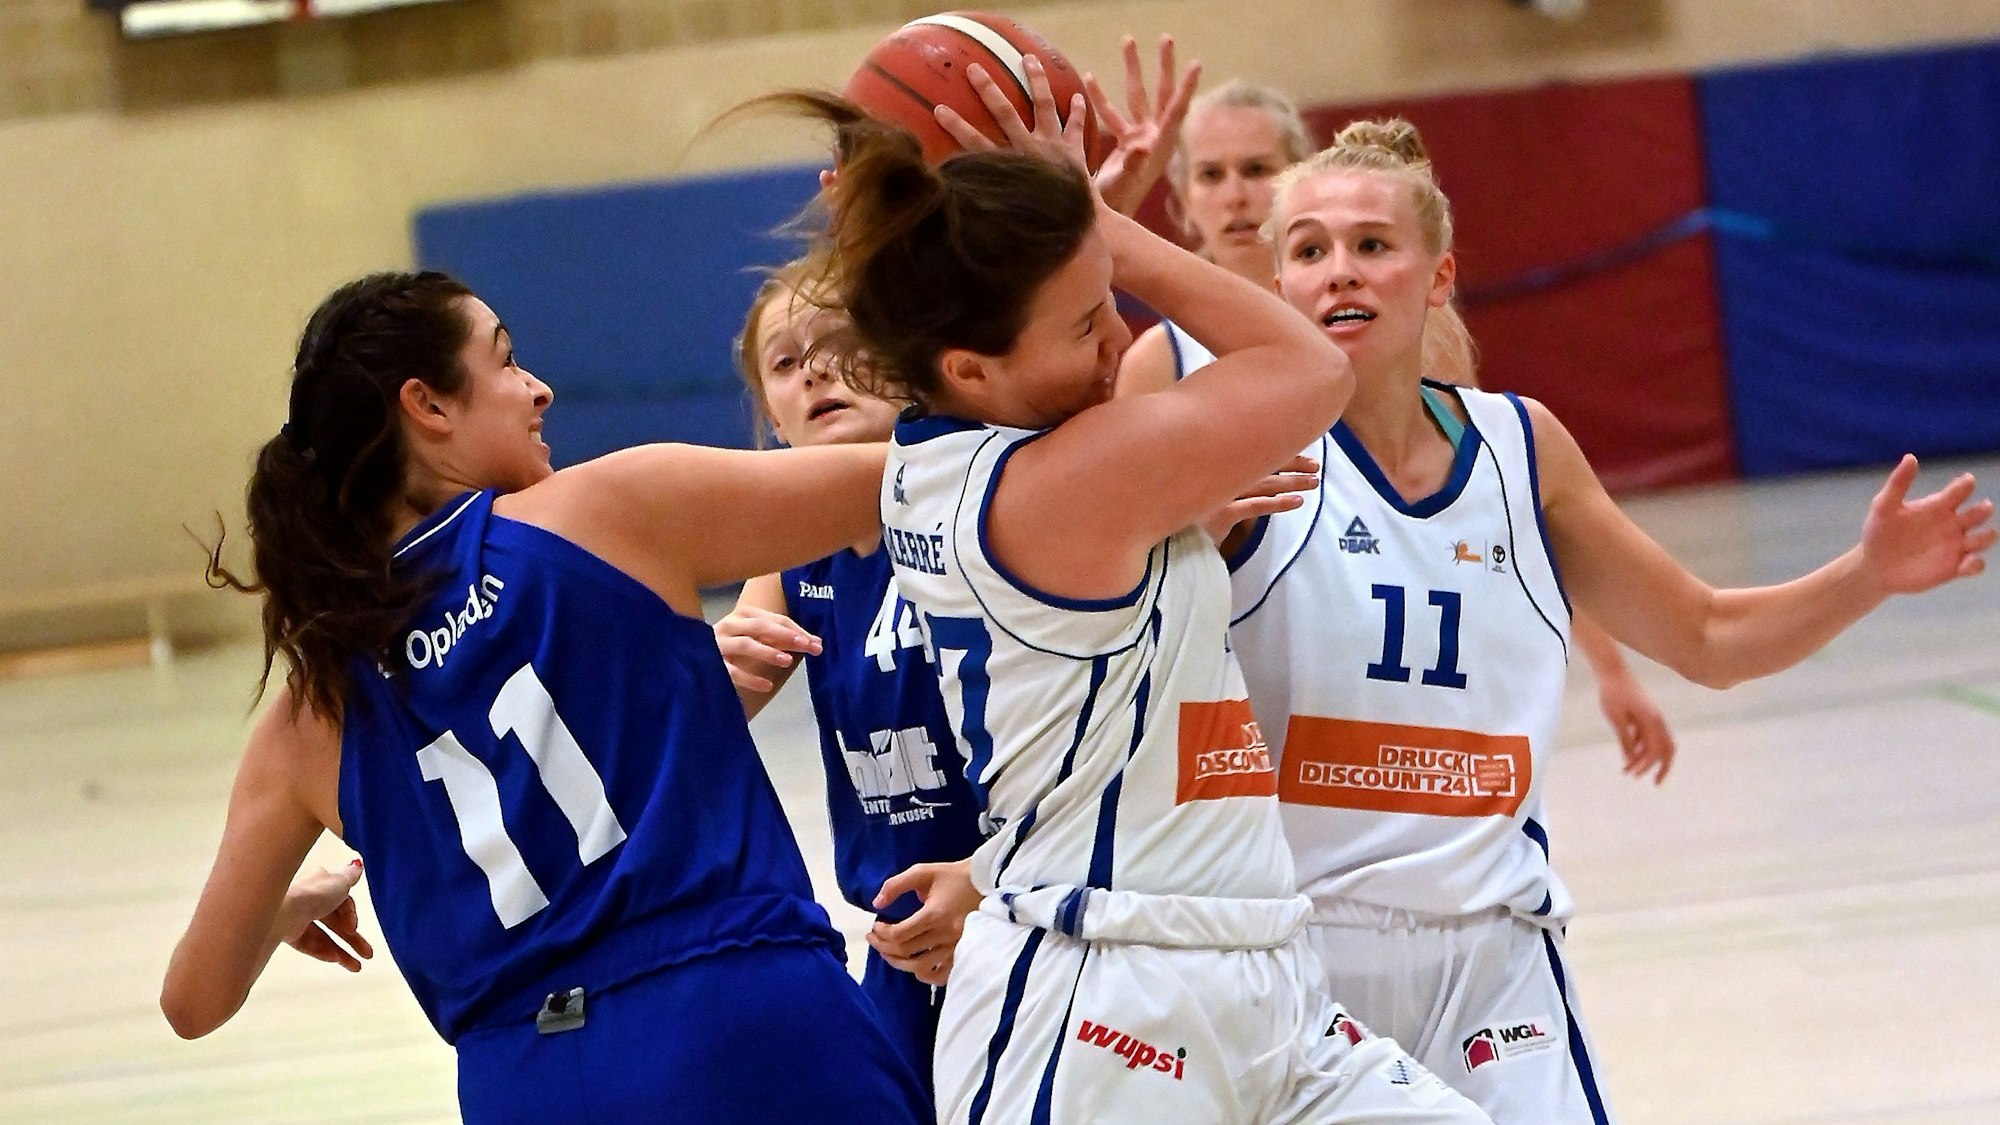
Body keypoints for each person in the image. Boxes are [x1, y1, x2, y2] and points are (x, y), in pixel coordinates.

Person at [765, 56, 1492, 1123]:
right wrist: (1104, 227)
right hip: (1106, 1008)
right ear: (969, 369)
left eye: (1109, 307)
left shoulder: (983, 465)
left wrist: (1060, 230)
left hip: (1250, 977)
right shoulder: (1055, 483)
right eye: (1083, 326)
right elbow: (1306, 369)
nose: (1120, 348)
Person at [1223, 119, 1994, 1122]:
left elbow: (1706, 637)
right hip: (1305, 956)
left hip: (1494, 955)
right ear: (1278, 281)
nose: (1339, 273)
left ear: (1438, 274)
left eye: (1371, 244)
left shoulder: (1519, 447)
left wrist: (1866, 574)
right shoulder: (1237, 452)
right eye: (1309, 250)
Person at [159, 271, 929, 1123]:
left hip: (524, 1082)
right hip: (740, 1021)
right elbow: (935, 475)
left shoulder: (308, 715)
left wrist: (286, 905)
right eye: (507, 361)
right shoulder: (605, 510)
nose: (539, 388)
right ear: (428, 406)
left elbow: (194, 1001)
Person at [1118, 78, 1675, 781]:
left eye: (1257, 170)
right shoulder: (1161, 360)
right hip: (1231, 697)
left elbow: (1508, 514)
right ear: (1182, 197)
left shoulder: (1394, 336)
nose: (1235, 195)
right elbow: (1109, 561)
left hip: (1393, 712)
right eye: (1211, 174)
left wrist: (1611, 668)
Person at [712, 263, 987, 1093]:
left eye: (840, 345)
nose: (815, 372)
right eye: (786, 363)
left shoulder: (978, 505)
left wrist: (991, 881)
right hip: (904, 941)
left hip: (1020, 905)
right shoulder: (798, 554)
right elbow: (712, 710)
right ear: (770, 415)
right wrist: (705, 667)